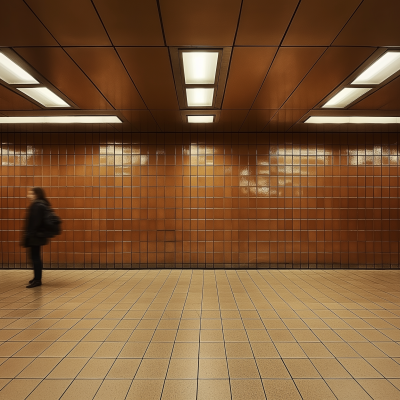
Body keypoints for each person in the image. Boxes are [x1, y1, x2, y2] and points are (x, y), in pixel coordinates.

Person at [22, 187, 50, 288]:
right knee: (35, 257)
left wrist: (30, 234)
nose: (28, 195)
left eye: (30, 193)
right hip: (37, 235)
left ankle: (37, 279)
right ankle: (36, 278)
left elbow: (35, 222)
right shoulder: (41, 204)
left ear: (35, 194)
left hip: (35, 236)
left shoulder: (37, 205)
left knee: (35, 258)